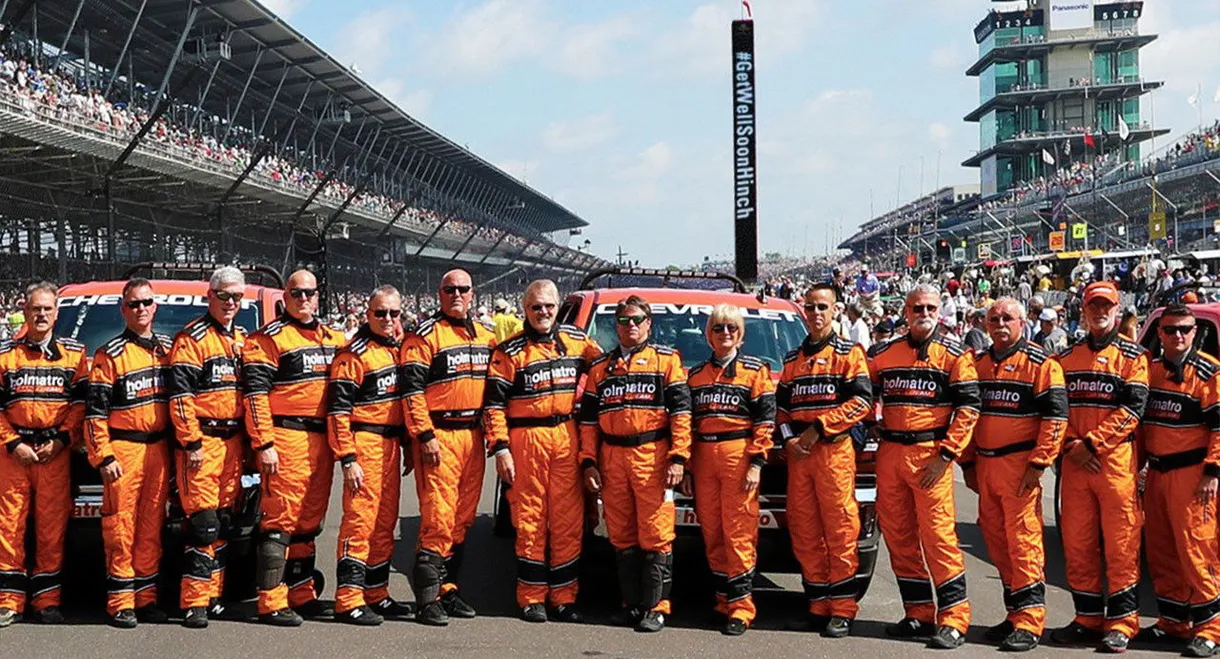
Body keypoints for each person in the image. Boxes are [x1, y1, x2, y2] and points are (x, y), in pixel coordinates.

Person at [484, 280, 603, 624]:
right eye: (536, 307)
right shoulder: (509, 352)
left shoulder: (577, 342)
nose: (544, 312)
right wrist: (501, 449)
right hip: (526, 440)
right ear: (525, 310)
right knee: (530, 519)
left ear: (557, 306)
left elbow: (608, 369)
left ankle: (564, 598)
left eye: (549, 306)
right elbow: (493, 406)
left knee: (567, 521)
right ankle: (531, 597)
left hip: (566, 435)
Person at [868, 284, 979, 649]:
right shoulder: (882, 353)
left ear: (939, 311)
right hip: (890, 453)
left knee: (939, 538)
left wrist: (947, 454)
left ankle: (954, 618)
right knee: (899, 537)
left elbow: (968, 408)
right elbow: (863, 395)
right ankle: (917, 613)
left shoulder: (955, 354)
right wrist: (869, 423)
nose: (924, 313)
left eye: (930, 307)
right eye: (917, 307)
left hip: (931, 455)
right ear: (906, 310)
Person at [579, 295, 691, 633]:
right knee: (622, 536)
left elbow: (682, 413)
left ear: (649, 324)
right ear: (616, 325)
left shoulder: (667, 361)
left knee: (656, 535)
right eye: (625, 321)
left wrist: (679, 456)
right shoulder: (601, 368)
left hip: (652, 456)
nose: (631, 326)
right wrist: (588, 462)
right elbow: (587, 422)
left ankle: (656, 608)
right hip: (612, 458)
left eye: (637, 320)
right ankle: (630, 605)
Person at [960, 298, 1067, 652]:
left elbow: (1055, 418)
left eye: (1008, 318)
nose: (1000, 323)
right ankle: (1014, 612)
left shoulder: (1041, 363)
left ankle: (1030, 620)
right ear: (985, 324)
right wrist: (969, 462)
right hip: (987, 466)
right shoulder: (978, 364)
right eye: (994, 318)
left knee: (1024, 543)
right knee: (997, 543)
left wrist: (1039, 464)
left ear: (1023, 322)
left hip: (1020, 466)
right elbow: (967, 416)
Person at [243, 269, 345, 626]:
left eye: (309, 293)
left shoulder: (333, 337)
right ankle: (270, 600)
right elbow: (255, 396)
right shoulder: (268, 339)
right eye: (296, 293)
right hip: (285, 437)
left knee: (308, 523)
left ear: (318, 297)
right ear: (285, 296)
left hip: (322, 442)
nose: (303, 299)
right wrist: (264, 443)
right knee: (280, 521)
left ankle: (301, 593)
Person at [1051, 280, 1148, 653]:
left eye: (1107, 305)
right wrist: (1070, 446)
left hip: (1114, 462)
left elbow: (1133, 409)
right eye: (1094, 305)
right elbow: (1056, 412)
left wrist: (1089, 444)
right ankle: (1087, 618)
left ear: (1118, 309)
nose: (1100, 311)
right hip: (1075, 464)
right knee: (1078, 543)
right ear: (1084, 310)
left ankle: (1123, 622)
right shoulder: (1066, 357)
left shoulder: (1132, 356)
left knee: (1122, 543)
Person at [400, 269, 496, 626]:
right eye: (449, 289)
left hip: (472, 436)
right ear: (439, 293)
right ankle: (426, 601)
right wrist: (423, 436)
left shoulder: (486, 337)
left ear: (473, 294)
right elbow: (411, 392)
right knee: (438, 520)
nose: (457, 294)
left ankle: (447, 589)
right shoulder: (424, 336)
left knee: (462, 520)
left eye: (463, 289)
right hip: (439, 437)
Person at [778, 283, 871, 638]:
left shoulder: (849, 353)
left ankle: (843, 609)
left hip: (833, 451)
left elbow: (862, 403)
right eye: (810, 307)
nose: (816, 313)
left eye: (822, 307)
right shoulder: (791, 359)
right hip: (799, 455)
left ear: (835, 310)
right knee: (804, 531)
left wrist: (819, 428)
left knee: (840, 529)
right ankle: (818, 606)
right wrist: (789, 441)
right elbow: (782, 409)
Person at [681, 304, 774, 636]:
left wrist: (756, 463)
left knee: (739, 532)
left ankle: (741, 607)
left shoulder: (755, 371)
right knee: (713, 532)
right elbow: (686, 426)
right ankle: (723, 600)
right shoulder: (694, 376)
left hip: (738, 454)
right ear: (708, 334)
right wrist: (688, 468)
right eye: (718, 328)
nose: (724, 334)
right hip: (704, 455)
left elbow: (765, 421)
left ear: (741, 334)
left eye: (731, 328)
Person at [85, 278, 173, 628]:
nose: (140, 309)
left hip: (160, 450)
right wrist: (103, 456)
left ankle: (146, 598)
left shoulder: (167, 351)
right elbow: (94, 413)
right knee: (121, 526)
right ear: (124, 310)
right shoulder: (110, 355)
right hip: (124, 449)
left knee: (152, 525)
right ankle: (121, 601)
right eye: (133, 304)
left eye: (145, 302)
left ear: (155, 307)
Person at [325, 285, 414, 626]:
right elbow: (337, 411)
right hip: (364, 444)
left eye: (394, 313)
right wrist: (347, 458)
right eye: (381, 314)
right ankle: (348, 599)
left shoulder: (398, 349)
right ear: (368, 315)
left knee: (384, 523)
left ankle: (376, 593)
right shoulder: (354, 355)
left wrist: (405, 444)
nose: (388, 320)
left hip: (390, 445)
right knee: (359, 522)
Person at [0, 282, 87, 628]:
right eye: (35, 309)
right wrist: (11, 443)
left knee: (51, 531)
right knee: (8, 527)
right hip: (13, 454)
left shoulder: (74, 355)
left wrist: (63, 440)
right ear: (25, 309)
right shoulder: (6, 354)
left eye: (47, 309)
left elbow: (81, 407)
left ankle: (47, 602)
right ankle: (8, 602)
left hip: (54, 453)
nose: (41, 315)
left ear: (56, 313)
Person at [1136, 304, 1220, 658]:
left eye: (1185, 329)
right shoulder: (1150, 371)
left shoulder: (1209, 372)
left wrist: (1212, 471)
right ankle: (1173, 622)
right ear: (1160, 334)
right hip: (1156, 473)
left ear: (1195, 331)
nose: (1178, 336)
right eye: (1170, 330)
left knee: (1197, 550)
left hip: (1192, 476)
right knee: (1162, 549)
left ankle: (1211, 628)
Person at [168, 267, 248, 629]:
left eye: (237, 297)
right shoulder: (191, 339)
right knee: (202, 523)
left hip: (233, 444)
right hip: (202, 443)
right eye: (224, 296)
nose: (231, 303)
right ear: (210, 297)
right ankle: (194, 602)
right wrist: (192, 441)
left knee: (224, 522)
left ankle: (214, 596)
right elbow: (181, 396)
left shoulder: (243, 339)